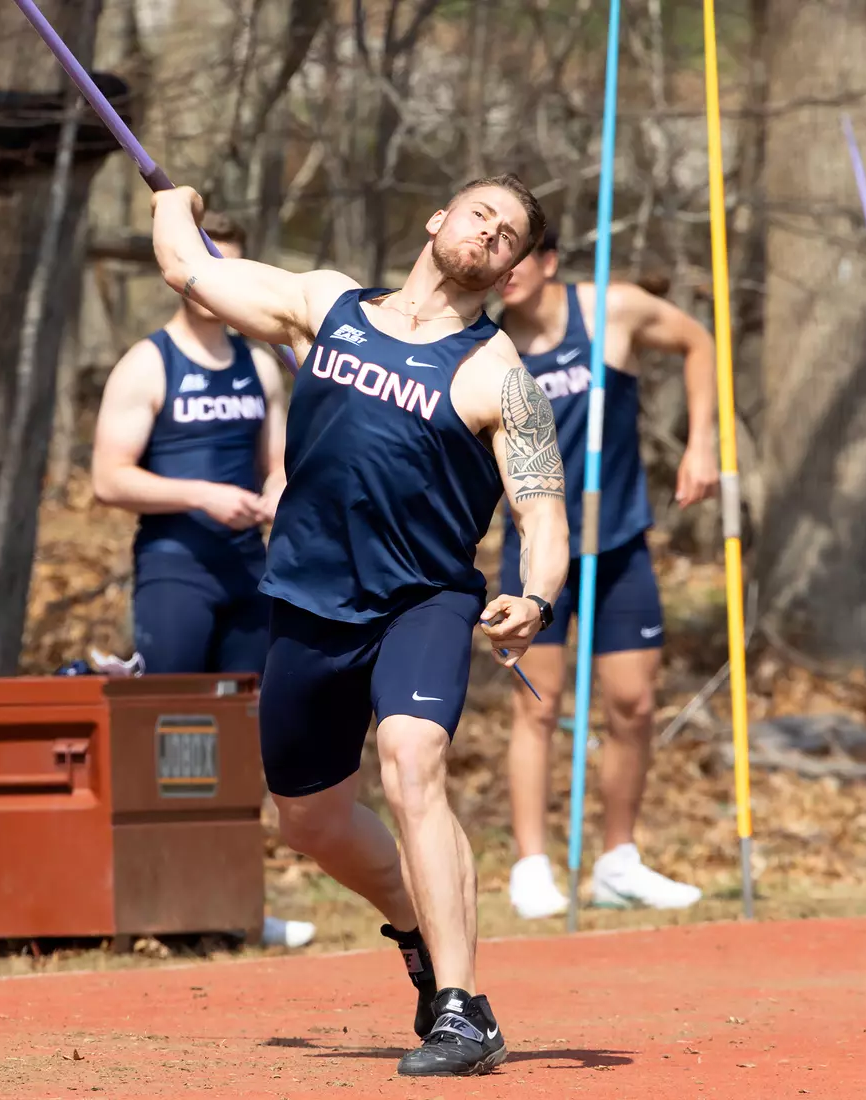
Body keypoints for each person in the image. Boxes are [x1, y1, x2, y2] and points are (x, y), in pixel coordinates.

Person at [150, 173, 571, 1077]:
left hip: (423, 598)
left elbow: (543, 517)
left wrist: (534, 599)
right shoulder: (328, 305)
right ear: (438, 218)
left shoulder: (501, 378)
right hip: (307, 599)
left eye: (508, 237)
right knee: (307, 820)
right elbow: (189, 268)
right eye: (479, 215)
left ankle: (463, 1011)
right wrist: (173, 201)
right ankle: (418, 928)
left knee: (414, 758)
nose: (488, 235)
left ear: (511, 273)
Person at [91, 211, 314, 949]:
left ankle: (233, 903)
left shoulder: (257, 365)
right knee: (167, 742)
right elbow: (109, 478)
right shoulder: (148, 363)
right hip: (175, 571)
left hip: (249, 572)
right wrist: (201, 495)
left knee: (243, 742)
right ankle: (158, 904)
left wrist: (279, 488)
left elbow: (279, 457)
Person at [491, 229, 720, 918]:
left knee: (634, 704)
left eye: (520, 257)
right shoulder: (487, 343)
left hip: (617, 538)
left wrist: (700, 444)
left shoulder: (611, 311)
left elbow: (698, 343)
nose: (506, 272)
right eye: (496, 259)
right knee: (538, 704)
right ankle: (532, 865)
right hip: (537, 545)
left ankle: (619, 858)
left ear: (550, 261)